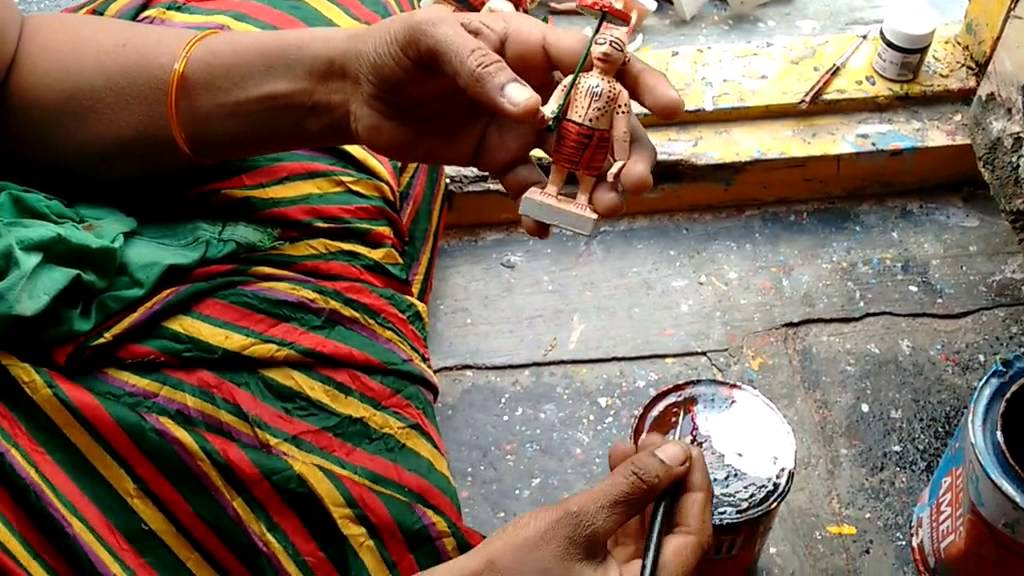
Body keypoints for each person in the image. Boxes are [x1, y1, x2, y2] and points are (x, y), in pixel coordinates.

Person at [0, 0, 713, 573]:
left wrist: (341, 85)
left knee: (341, 27)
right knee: (355, 524)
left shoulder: (592, 84)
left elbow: (14, 67)